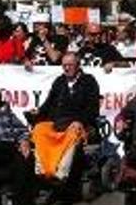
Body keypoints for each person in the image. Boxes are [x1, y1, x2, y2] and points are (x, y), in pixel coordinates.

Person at [28, 53, 100, 185]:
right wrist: (38, 112)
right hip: (59, 121)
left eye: (70, 65)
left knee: (72, 133)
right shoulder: (59, 81)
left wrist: (81, 121)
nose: (67, 68)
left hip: (79, 122)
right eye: (64, 65)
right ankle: (42, 170)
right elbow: (49, 103)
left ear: (78, 65)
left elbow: (93, 107)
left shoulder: (88, 81)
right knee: (39, 130)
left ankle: (61, 174)